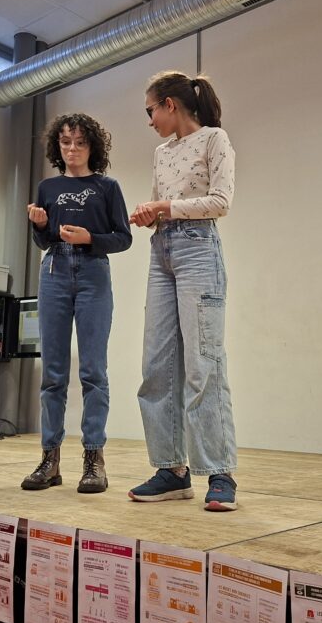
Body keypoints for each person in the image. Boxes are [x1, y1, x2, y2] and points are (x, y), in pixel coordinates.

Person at [128, 70, 239, 512]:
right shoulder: (161, 153)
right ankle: (172, 470)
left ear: (170, 105)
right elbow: (163, 207)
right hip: (162, 252)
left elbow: (221, 202)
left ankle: (219, 471)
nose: (150, 120)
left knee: (202, 363)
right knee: (156, 364)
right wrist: (150, 215)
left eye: (151, 110)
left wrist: (165, 207)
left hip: (198, 251)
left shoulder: (215, 139)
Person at [21, 113, 131, 494]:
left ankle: (94, 459)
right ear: (58, 146)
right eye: (66, 142)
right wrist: (39, 224)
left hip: (92, 273)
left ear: (92, 147)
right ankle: (49, 460)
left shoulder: (107, 187)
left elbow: (123, 237)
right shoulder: (47, 187)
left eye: (80, 142)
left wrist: (90, 239)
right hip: (53, 270)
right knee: (53, 373)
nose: (72, 149)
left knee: (93, 372)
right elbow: (43, 241)